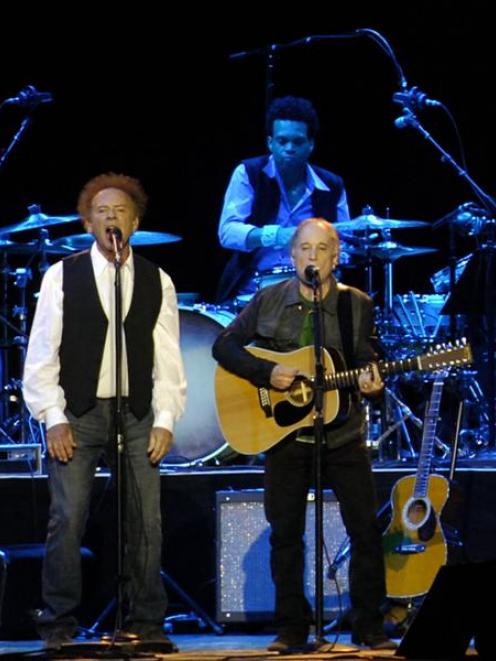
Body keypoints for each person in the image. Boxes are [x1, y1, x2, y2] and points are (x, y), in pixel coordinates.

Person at [212, 218, 396, 652]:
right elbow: (224, 346)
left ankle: (368, 625)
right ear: (292, 255)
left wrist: (372, 379)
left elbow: (369, 357)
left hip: (343, 433)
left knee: (365, 530)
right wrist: (267, 372)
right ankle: (291, 628)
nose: (313, 257)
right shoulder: (269, 299)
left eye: (322, 249)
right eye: (305, 249)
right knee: (286, 533)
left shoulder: (357, 304)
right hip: (286, 436)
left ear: (336, 256)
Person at [23, 173, 187, 650]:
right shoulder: (63, 275)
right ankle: (58, 624)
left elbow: (168, 357)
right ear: (87, 222)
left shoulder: (158, 280)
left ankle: (147, 623)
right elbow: (41, 352)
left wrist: (164, 419)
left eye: (119, 211)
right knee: (68, 516)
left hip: (135, 413)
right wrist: (52, 415)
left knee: (146, 518)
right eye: (101, 211)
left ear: (134, 222)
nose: (110, 217)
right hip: (78, 412)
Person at [216, 95, 350, 303]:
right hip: (252, 290)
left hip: (312, 290)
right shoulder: (248, 173)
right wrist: (276, 235)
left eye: (297, 141)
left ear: (311, 144)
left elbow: (344, 240)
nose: (289, 148)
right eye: (282, 141)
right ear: (270, 142)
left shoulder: (332, 186)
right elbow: (227, 232)